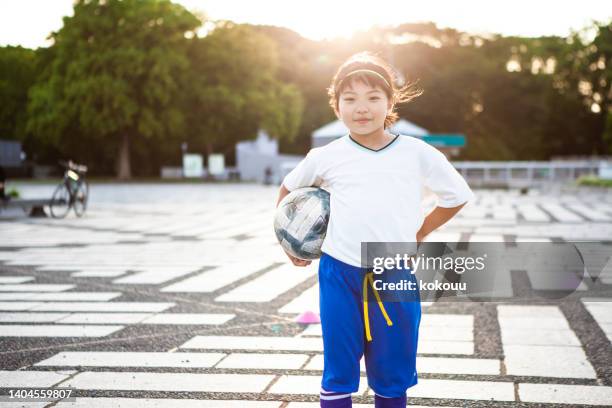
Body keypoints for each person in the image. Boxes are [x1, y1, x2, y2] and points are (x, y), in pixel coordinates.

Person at [275, 52, 474, 408]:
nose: (361, 108)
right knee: (338, 371)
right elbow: (288, 191)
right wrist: (292, 244)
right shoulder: (326, 155)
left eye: (372, 98)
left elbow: (456, 195)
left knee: (391, 373)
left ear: (390, 102)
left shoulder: (417, 152)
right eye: (349, 99)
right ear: (337, 107)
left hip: (394, 271)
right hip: (340, 272)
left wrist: (421, 231)